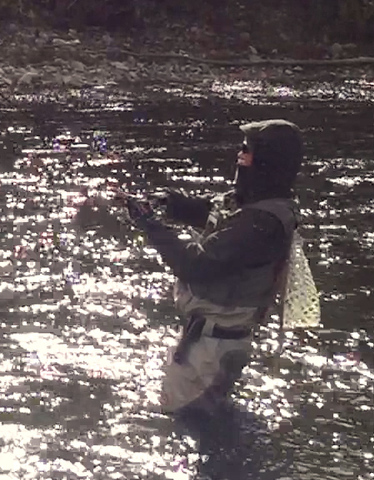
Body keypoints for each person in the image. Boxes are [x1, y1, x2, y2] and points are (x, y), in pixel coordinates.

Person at [119, 119, 304, 423]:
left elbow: (195, 265)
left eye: (248, 150)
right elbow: (213, 212)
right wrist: (169, 204)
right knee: (204, 421)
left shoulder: (260, 224)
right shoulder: (256, 205)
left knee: (183, 422)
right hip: (210, 342)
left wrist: (149, 225)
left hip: (211, 348)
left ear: (267, 161)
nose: (240, 156)